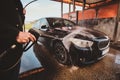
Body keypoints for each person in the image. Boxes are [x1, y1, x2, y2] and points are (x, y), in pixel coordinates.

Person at [0, 0, 36, 80]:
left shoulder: (18, 3)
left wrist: (22, 15)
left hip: (15, 56)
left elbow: (18, 24)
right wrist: (15, 34)